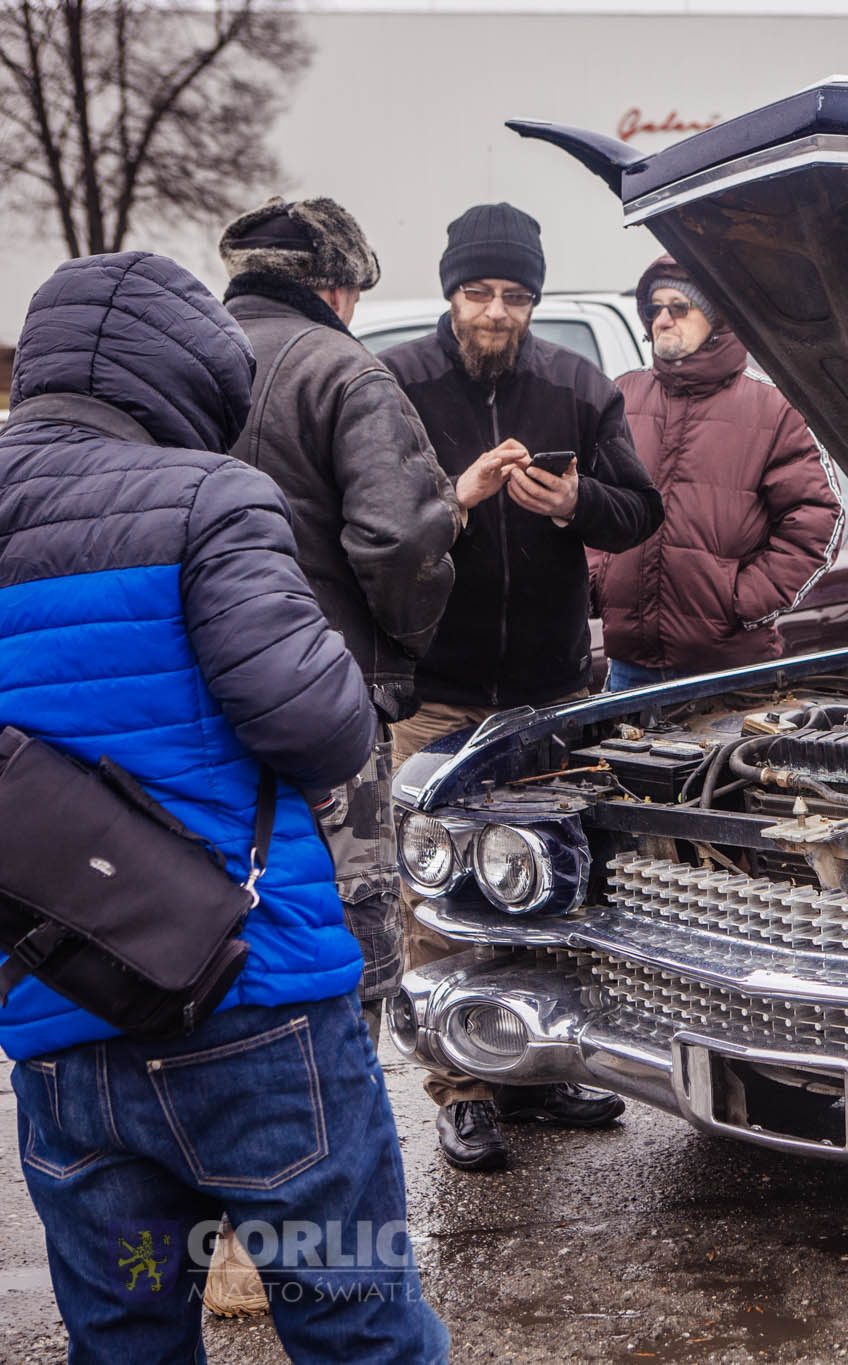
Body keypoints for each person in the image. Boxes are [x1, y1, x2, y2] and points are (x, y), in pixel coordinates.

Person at [0, 251, 448, 1360]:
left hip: (56, 1015)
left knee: (128, 1329)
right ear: (183, 382)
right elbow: (318, 730)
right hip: (257, 1011)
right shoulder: (209, 497)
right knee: (357, 1324)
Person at [203, 195, 463, 1317]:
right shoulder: (344, 372)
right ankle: (316, 1237)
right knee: (342, 939)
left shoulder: (183, 367)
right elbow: (400, 533)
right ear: (339, 285)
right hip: (320, 701)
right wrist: (398, 646)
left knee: (208, 933)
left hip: (193, 711)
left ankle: (213, 1229)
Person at [379, 203, 661, 1173]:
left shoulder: (576, 384)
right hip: (435, 682)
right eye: (478, 292)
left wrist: (577, 501)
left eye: (513, 295)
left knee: (544, 875)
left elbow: (637, 513)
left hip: (543, 685)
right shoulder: (398, 383)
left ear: (534, 300)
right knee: (437, 893)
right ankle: (462, 1085)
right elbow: (370, 528)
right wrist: (454, 501)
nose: (495, 313)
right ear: (451, 292)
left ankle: (535, 1066)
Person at [593, 255, 840, 690]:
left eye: (679, 307)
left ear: (717, 318)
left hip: (731, 673)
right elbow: (590, 502)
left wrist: (741, 601)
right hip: (629, 672)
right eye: (654, 309)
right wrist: (598, 580)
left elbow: (818, 518)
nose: (663, 319)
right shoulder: (622, 395)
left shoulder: (774, 407)